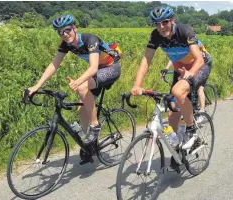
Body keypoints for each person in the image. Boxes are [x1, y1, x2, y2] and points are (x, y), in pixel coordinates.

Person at [27, 14, 122, 145]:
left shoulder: (90, 39)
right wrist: (36, 86)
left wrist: (78, 81)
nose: (64, 34)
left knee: (82, 87)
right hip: (99, 71)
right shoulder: (67, 45)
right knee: (82, 110)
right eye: (60, 32)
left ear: (75, 28)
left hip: (112, 68)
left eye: (67, 30)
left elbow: (93, 68)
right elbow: (54, 65)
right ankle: (89, 145)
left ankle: (95, 126)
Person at [130, 7, 211, 152]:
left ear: (172, 20)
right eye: (157, 23)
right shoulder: (155, 36)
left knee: (178, 91)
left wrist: (191, 73)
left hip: (200, 65)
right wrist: (137, 84)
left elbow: (199, 59)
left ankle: (191, 131)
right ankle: (178, 150)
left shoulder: (184, 31)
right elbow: (146, 60)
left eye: (165, 22)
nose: (161, 27)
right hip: (180, 68)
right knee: (172, 113)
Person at [162, 39, 212, 124]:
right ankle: (184, 110)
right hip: (188, 65)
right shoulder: (176, 48)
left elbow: (198, 59)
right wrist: (166, 69)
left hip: (205, 63)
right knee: (180, 87)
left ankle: (202, 111)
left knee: (199, 89)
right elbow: (173, 58)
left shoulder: (192, 42)